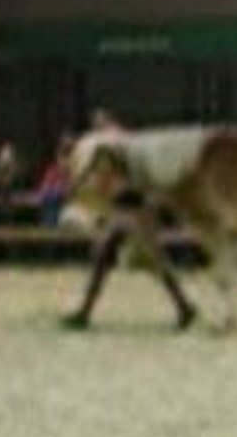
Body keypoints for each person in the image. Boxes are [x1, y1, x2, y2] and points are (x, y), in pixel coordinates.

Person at [62, 116, 197, 331]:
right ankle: (184, 307)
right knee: (111, 256)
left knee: (148, 260)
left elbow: (100, 168)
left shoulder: (105, 150)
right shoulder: (117, 151)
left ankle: (184, 307)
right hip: (129, 210)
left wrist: (76, 185)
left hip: (134, 211)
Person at [37, 135, 75, 226]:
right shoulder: (55, 169)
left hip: (60, 197)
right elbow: (45, 187)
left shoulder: (66, 165)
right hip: (53, 197)